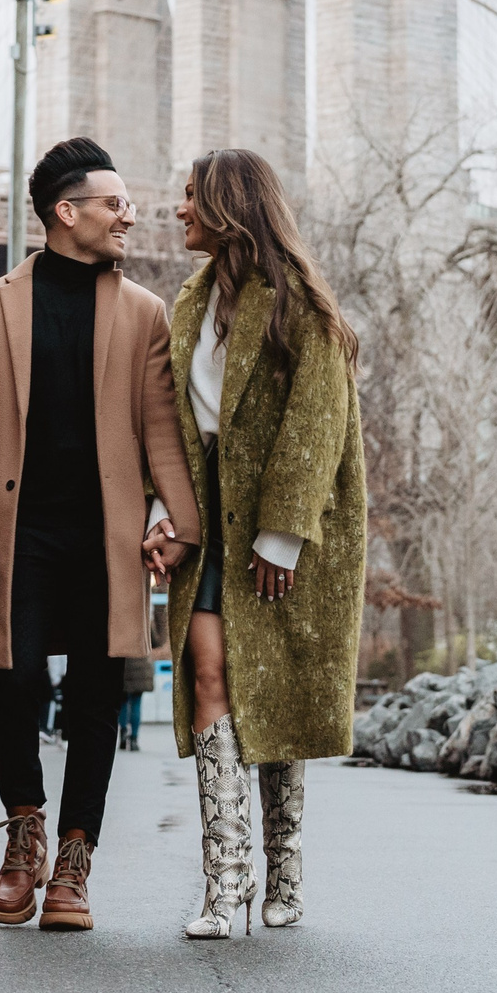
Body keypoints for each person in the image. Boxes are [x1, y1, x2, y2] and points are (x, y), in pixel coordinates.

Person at [0, 136, 202, 932]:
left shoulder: (144, 313)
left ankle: (74, 862)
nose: (130, 215)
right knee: (12, 677)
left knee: (96, 692)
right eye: (114, 203)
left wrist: (177, 519)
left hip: (108, 537)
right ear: (67, 212)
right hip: (19, 534)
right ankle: (25, 836)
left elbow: (162, 431)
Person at [147, 149, 366, 940]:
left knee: (271, 690)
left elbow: (318, 425)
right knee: (208, 676)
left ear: (228, 205)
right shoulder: (187, 303)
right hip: (208, 525)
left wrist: (283, 536)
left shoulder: (300, 305)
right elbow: (170, 428)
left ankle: (286, 873)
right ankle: (224, 881)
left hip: (281, 534)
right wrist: (161, 518)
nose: (177, 210)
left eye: (189, 197)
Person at [117, 655, 152, 752]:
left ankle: (123, 734)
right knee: (136, 703)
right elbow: (158, 641)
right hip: (140, 667)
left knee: (123, 702)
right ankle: (134, 739)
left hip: (123, 665)